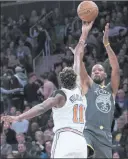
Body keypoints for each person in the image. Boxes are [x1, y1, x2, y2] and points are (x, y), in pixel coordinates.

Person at [1, 21, 93, 158]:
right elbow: (77, 69)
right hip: (80, 140)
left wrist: (19, 116)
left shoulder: (60, 95)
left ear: (61, 80)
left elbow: (41, 107)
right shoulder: (80, 92)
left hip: (65, 138)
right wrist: (83, 36)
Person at [70, 23, 120, 158]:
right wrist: (83, 36)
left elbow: (115, 68)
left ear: (105, 75)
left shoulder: (111, 89)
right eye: (94, 70)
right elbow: (79, 65)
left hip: (105, 137)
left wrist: (107, 44)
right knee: (83, 150)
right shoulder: (88, 86)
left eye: (100, 69)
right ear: (91, 75)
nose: (96, 71)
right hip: (89, 131)